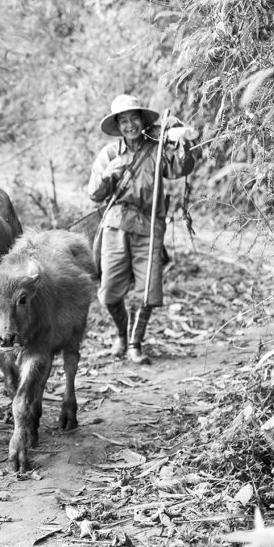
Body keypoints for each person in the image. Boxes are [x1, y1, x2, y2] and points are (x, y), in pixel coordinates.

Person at [87, 94, 199, 364]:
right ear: (118, 126)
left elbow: (182, 168)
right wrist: (108, 175)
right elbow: (94, 194)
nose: (129, 125)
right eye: (123, 121)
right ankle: (122, 336)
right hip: (116, 224)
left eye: (133, 119)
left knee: (149, 289)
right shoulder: (110, 154)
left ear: (142, 120)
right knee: (110, 291)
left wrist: (184, 142)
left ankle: (135, 344)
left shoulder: (156, 148)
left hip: (150, 226)